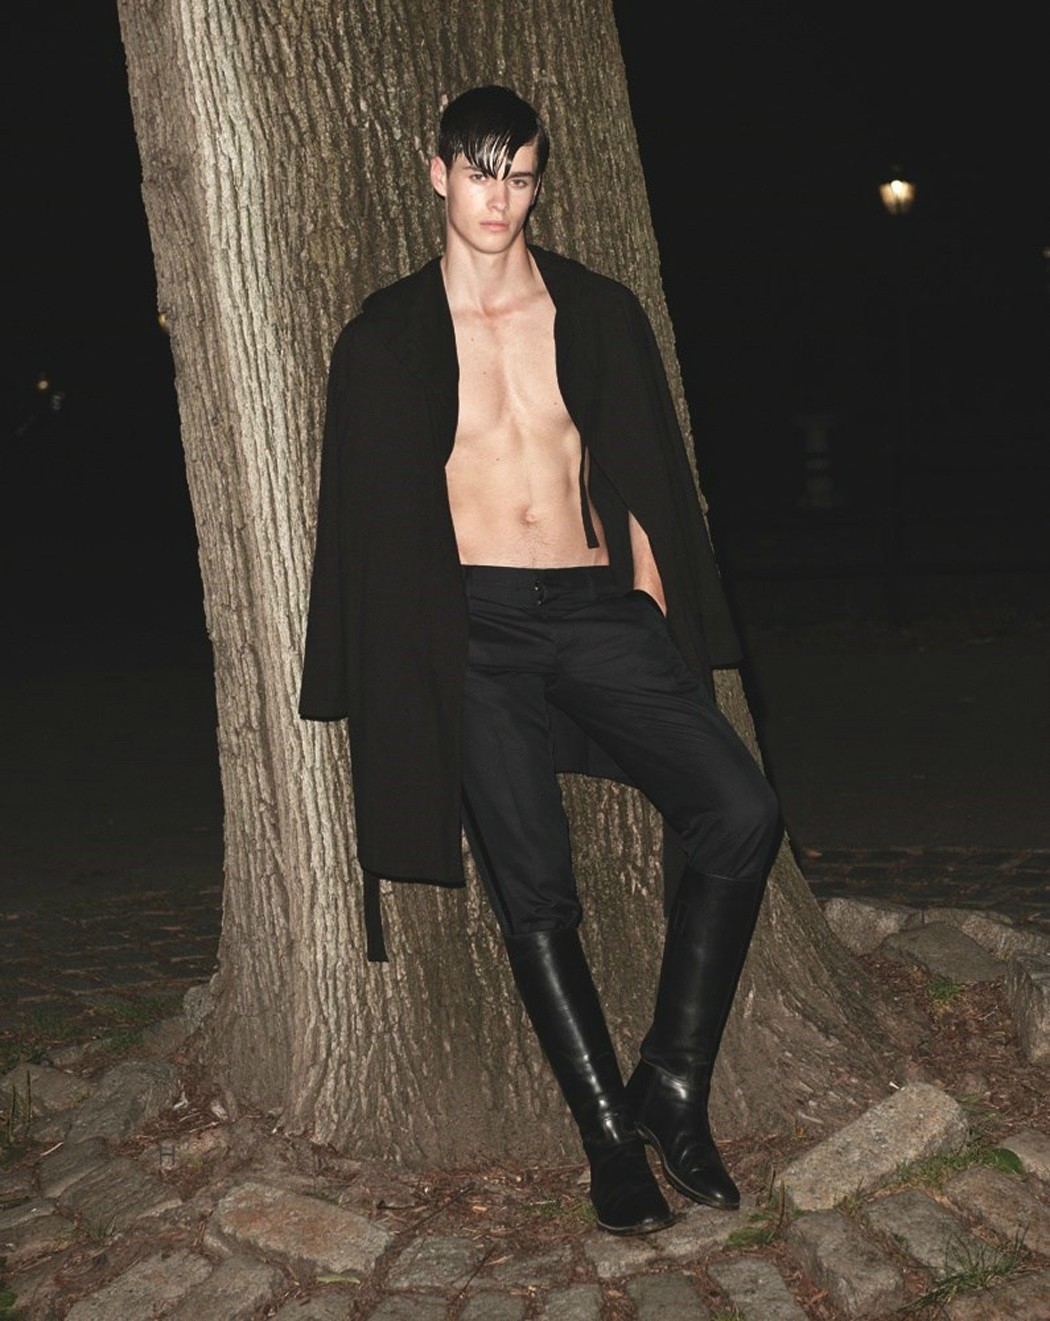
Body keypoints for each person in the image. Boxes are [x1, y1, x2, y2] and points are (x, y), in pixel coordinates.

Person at [300, 85, 781, 1235]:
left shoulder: (596, 311)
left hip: (596, 608)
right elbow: (364, 522)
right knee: (537, 889)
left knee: (741, 811)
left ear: (538, 184)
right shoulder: (387, 336)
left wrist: (652, 602)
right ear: (436, 174)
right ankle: (610, 1140)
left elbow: (646, 466)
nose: (498, 200)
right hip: (474, 630)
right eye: (479, 174)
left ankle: (670, 1080)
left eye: (518, 177)